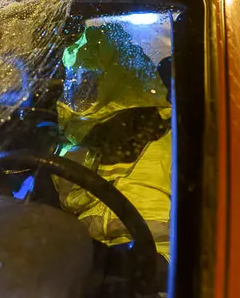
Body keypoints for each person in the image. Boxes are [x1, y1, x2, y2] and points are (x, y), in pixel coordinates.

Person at [55, 23, 172, 287]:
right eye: (74, 79)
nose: (79, 88)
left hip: (159, 272)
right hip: (89, 269)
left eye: (89, 78)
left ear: (114, 79)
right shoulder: (74, 145)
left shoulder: (170, 138)